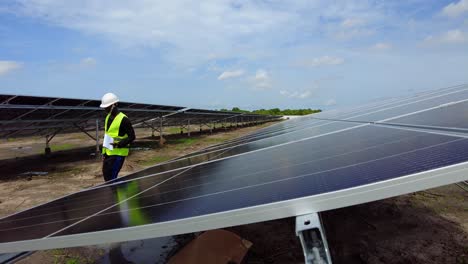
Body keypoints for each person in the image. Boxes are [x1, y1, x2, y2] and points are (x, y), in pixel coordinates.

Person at [100, 92, 136, 182]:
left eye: (107, 107)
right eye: (105, 107)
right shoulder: (108, 117)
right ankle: (116, 192)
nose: (106, 109)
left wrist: (119, 144)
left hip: (118, 154)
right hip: (108, 152)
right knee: (106, 176)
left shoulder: (124, 119)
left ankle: (124, 191)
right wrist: (104, 152)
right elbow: (107, 135)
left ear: (115, 105)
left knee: (111, 178)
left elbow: (132, 136)